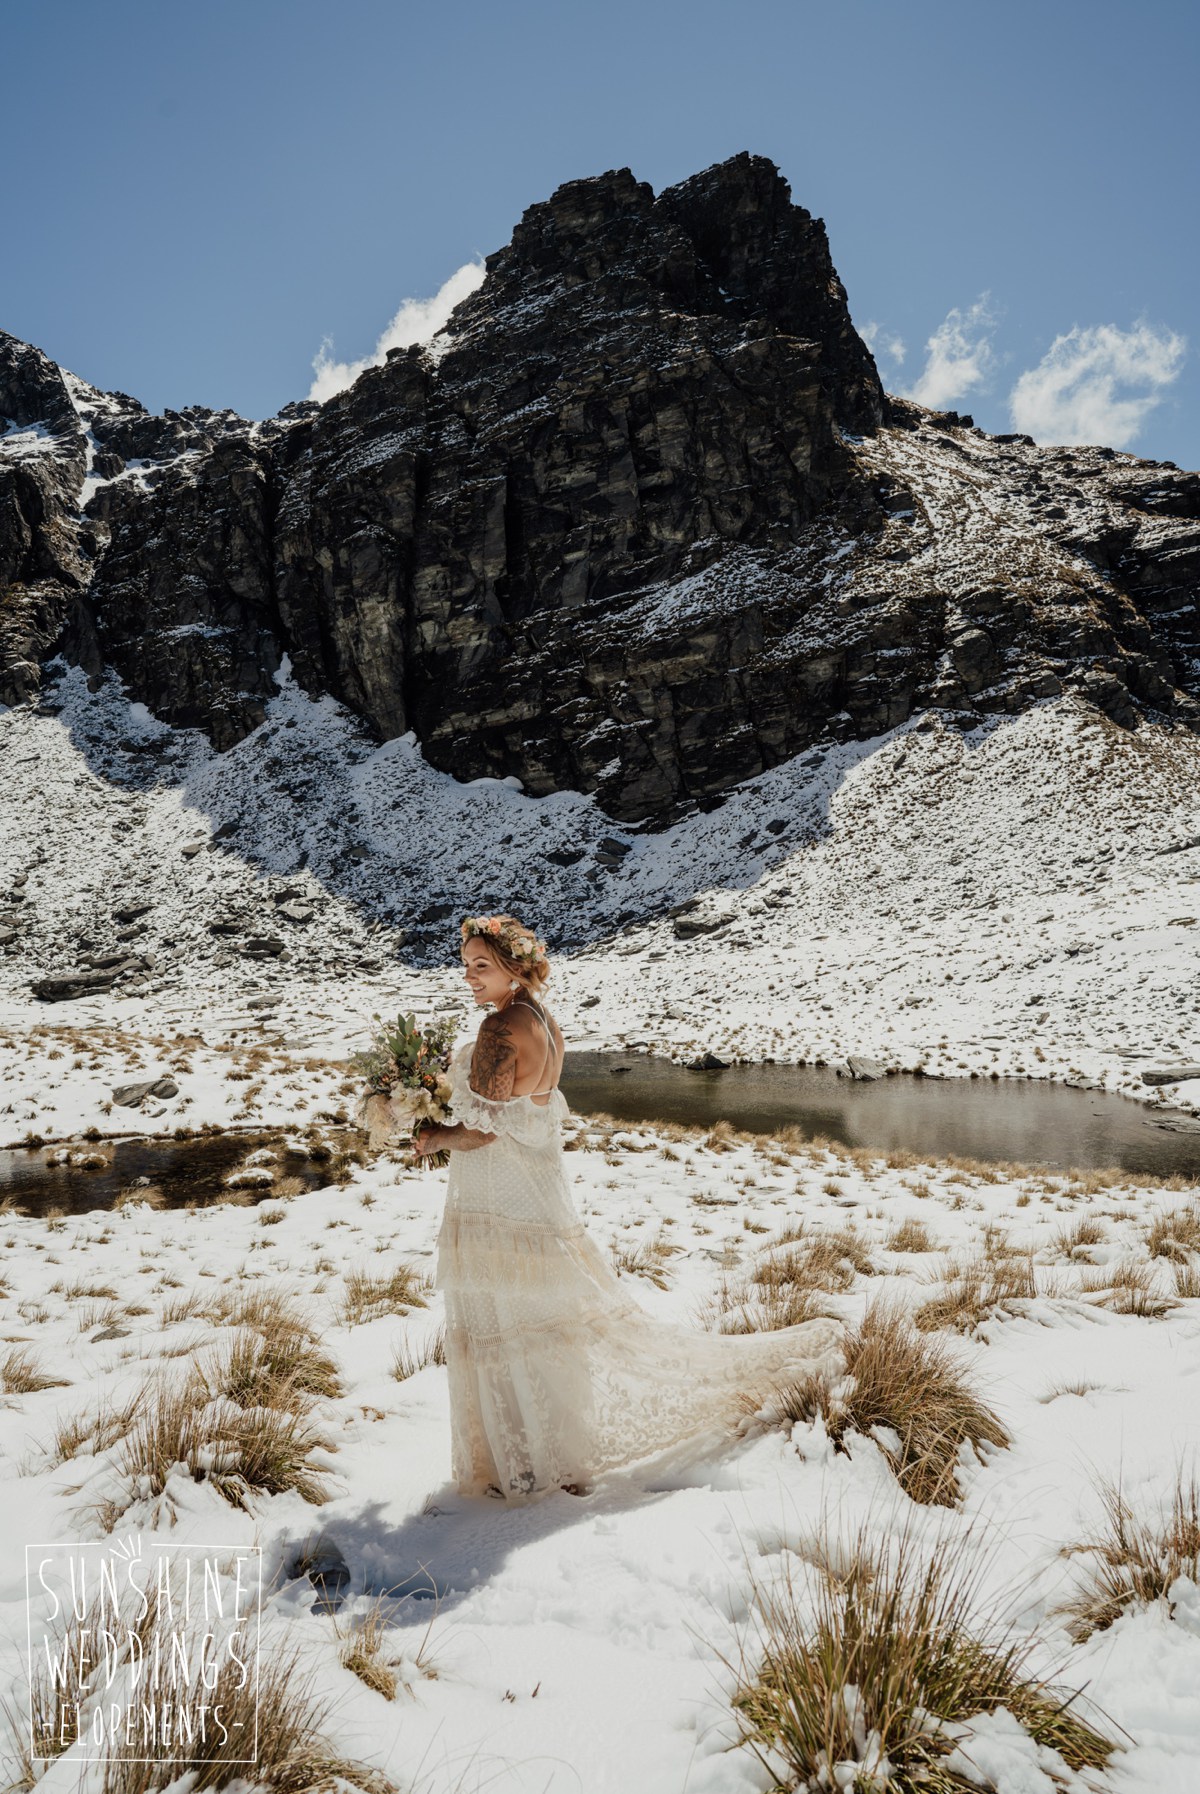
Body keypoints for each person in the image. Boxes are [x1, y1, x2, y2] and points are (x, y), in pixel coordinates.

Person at [411, 913, 844, 1502]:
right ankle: (553, 1459)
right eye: (465, 965)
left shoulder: (497, 1031)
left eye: (481, 966)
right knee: (546, 1329)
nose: (469, 976)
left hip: (499, 1204)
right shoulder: (542, 1019)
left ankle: (520, 1469)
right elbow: (520, 1109)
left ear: (514, 967)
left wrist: (433, 1136)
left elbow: (483, 1130)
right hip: (539, 1200)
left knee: (505, 1327)